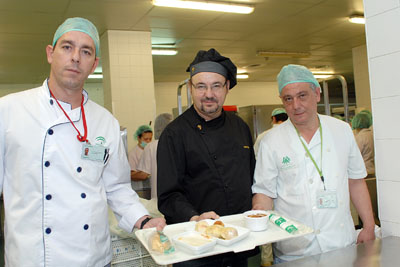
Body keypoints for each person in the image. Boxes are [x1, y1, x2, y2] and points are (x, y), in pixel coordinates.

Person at [0, 17, 165, 267]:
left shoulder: (105, 122)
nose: (76, 57)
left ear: (94, 63)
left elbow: (117, 187)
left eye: (85, 51)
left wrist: (142, 220)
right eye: (67, 47)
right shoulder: (10, 110)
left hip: (93, 257)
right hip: (34, 258)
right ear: (50, 53)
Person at [252, 64, 375, 263]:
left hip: (340, 243)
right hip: (294, 249)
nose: (296, 106)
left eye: (302, 96)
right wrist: (258, 213)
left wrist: (368, 226)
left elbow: (356, 181)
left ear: (317, 94)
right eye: (288, 99)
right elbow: (264, 192)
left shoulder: (341, 130)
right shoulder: (270, 141)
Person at [157, 48, 257, 266]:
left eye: (216, 86)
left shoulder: (240, 126)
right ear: (191, 88)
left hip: (238, 242)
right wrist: (194, 218)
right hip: (195, 248)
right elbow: (168, 196)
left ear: (227, 87)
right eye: (201, 86)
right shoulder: (175, 134)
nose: (208, 94)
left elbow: (252, 178)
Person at [135, 113, 173, 199]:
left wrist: (128, 175)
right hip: (178, 198)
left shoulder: (151, 147)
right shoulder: (178, 144)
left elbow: (143, 175)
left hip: (159, 198)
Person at [129, 125, 153, 197]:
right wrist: (144, 174)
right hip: (139, 189)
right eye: (146, 139)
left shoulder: (151, 150)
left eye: (150, 139)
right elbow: (131, 174)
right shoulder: (133, 154)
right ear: (139, 138)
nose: (148, 141)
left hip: (151, 187)